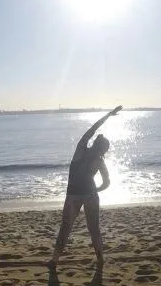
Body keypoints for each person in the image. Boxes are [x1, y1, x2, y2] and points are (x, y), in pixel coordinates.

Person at [48, 106, 122, 270]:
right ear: (103, 149)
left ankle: (54, 260)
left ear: (94, 143)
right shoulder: (100, 161)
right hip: (91, 195)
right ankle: (100, 259)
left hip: (73, 196)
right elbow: (107, 182)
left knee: (65, 228)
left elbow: (92, 129)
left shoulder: (81, 149)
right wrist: (97, 191)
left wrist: (108, 116)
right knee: (94, 229)